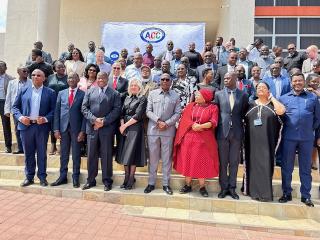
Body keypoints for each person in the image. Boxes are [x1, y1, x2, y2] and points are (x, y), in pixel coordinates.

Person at [279, 72, 320, 207]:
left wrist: (308, 129)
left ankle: (306, 196)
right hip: (288, 137)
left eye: (300, 81)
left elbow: (317, 119)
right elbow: (281, 118)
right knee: (286, 167)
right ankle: (286, 193)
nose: (297, 83)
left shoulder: (312, 98)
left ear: (304, 82)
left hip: (306, 138)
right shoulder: (283, 98)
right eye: (295, 81)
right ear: (291, 83)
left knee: (305, 168)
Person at [12, 69, 56, 187]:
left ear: (44, 78)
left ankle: (42, 177)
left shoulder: (50, 92)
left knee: (42, 153)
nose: (35, 77)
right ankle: (29, 177)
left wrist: (45, 119)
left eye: (38, 75)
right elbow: (15, 108)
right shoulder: (23, 90)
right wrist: (21, 118)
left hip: (41, 127)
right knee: (28, 153)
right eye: (33, 75)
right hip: (26, 127)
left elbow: (54, 111)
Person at [243, 82, 285, 202]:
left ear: (268, 90)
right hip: (251, 142)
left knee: (266, 165)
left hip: (267, 143)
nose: (260, 89)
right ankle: (251, 191)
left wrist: (272, 98)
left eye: (263, 87)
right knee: (252, 165)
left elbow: (281, 111)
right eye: (258, 87)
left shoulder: (273, 105)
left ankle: (265, 194)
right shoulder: (250, 104)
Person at [173, 89, 219, 197]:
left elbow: (213, 122)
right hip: (188, 138)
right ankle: (187, 185)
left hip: (204, 140)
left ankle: (202, 187)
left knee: (201, 162)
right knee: (188, 161)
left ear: (205, 97)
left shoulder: (213, 108)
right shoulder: (191, 106)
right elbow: (184, 119)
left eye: (198, 95)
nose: (196, 96)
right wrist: (192, 124)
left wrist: (201, 126)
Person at [81, 72, 121, 191]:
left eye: (103, 78)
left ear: (107, 79)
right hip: (92, 128)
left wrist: (103, 121)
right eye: (98, 78)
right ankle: (91, 180)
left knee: (106, 155)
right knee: (91, 155)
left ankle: (107, 181)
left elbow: (117, 110)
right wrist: (94, 120)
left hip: (107, 129)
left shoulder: (114, 93)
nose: (100, 80)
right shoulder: (89, 91)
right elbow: (84, 108)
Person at [144, 73, 181, 195]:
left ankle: (166, 184)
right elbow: (148, 111)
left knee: (166, 159)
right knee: (153, 158)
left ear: (171, 82)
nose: (165, 81)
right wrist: (159, 121)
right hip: (153, 130)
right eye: (162, 79)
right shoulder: (152, 93)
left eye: (167, 79)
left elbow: (177, 113)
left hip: (168, 131)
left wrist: (167, 123)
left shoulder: (175, 96)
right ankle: (151, 183)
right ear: (159, 81)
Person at [214, 72, 249, 200]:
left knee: (234, 162)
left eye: (228, 78)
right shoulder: (218, 94)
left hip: (237, 133)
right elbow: (215, 112)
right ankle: (223, 188)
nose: (226, 80)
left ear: (235, 79)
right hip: (222, 133)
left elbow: (244, 113)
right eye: (225, 78)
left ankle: (232, 188)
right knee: (223, 162)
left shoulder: (243, 95)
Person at [51, 73, 85, 188]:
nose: (71, 79)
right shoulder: (61, 93)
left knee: (76, 154)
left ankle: (76, 177)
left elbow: (84, 115)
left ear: (78, 80)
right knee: (63, 154)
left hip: (76, 129)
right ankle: (63, 176)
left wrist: (82, 131)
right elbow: (57, 112)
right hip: (63, 128)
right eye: (69, 78)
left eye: (73, 78)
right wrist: (56, 129)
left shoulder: (83, 94)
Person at [116, 79, 147, 190]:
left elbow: (138, 115)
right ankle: (126, 177)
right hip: (124, 128)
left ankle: (131, 177)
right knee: (124, 153)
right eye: (132, 85)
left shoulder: (142, 98)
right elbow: (121, 113)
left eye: (136, 85)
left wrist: (125, 126)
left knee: (132, 154)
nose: (133, 87)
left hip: (135, 127)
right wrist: (122, 125)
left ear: (139, 88)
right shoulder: (126, 98)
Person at [4, 65, 31, 154]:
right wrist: (7, 110)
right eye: (24, 71)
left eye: (27, 71)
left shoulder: (31, 82)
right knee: (17, 129)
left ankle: (29, 148)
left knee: (28, 129)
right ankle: (21, 148)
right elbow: (8, 96)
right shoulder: (12, 83)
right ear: (18, 72)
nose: (26, 73)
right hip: (16, 110)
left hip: (27, 109)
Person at [47, 61, 69, 155]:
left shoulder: (68, 78)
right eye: (59, 67)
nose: (62, 68)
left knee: (62, 124)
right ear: (54, 69)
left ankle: (61, 145)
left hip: (64, 104)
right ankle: (53, 144)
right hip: (51, 104)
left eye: (63, 67)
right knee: (53, 125)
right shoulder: (50, 77)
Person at [305, 74, 320, 170]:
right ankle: (310, 161)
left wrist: (314, 91)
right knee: (311, 143)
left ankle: (314, 161)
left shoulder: (317, 91)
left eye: (317, 82)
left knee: (316, 143)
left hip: (319, 120)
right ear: (308, 82)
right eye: (313, 81)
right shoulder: (305, 91)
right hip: (309, 120)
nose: (315, 83)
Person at [0, 61, 14, 153]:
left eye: (1, 66)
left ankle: (8, 146)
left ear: (5, 68)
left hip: (4, 102)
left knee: (6, 125)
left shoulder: (11, 79)